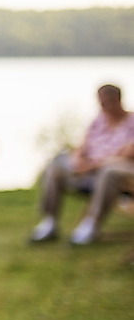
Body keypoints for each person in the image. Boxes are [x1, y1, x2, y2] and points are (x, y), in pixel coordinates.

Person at [30, 84, 134, 244]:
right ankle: (49, 222)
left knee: (109, 170)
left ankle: (91, 225)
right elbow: (83, 146)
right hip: (88, 170)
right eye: (101, 103)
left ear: (118, 100)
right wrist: (77, 160)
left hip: (117, 172)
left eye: (107, 103)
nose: (104, 107)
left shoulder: (131, 122)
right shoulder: (98, 121)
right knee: (56, 165)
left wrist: (91, 166)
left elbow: (126, 155)